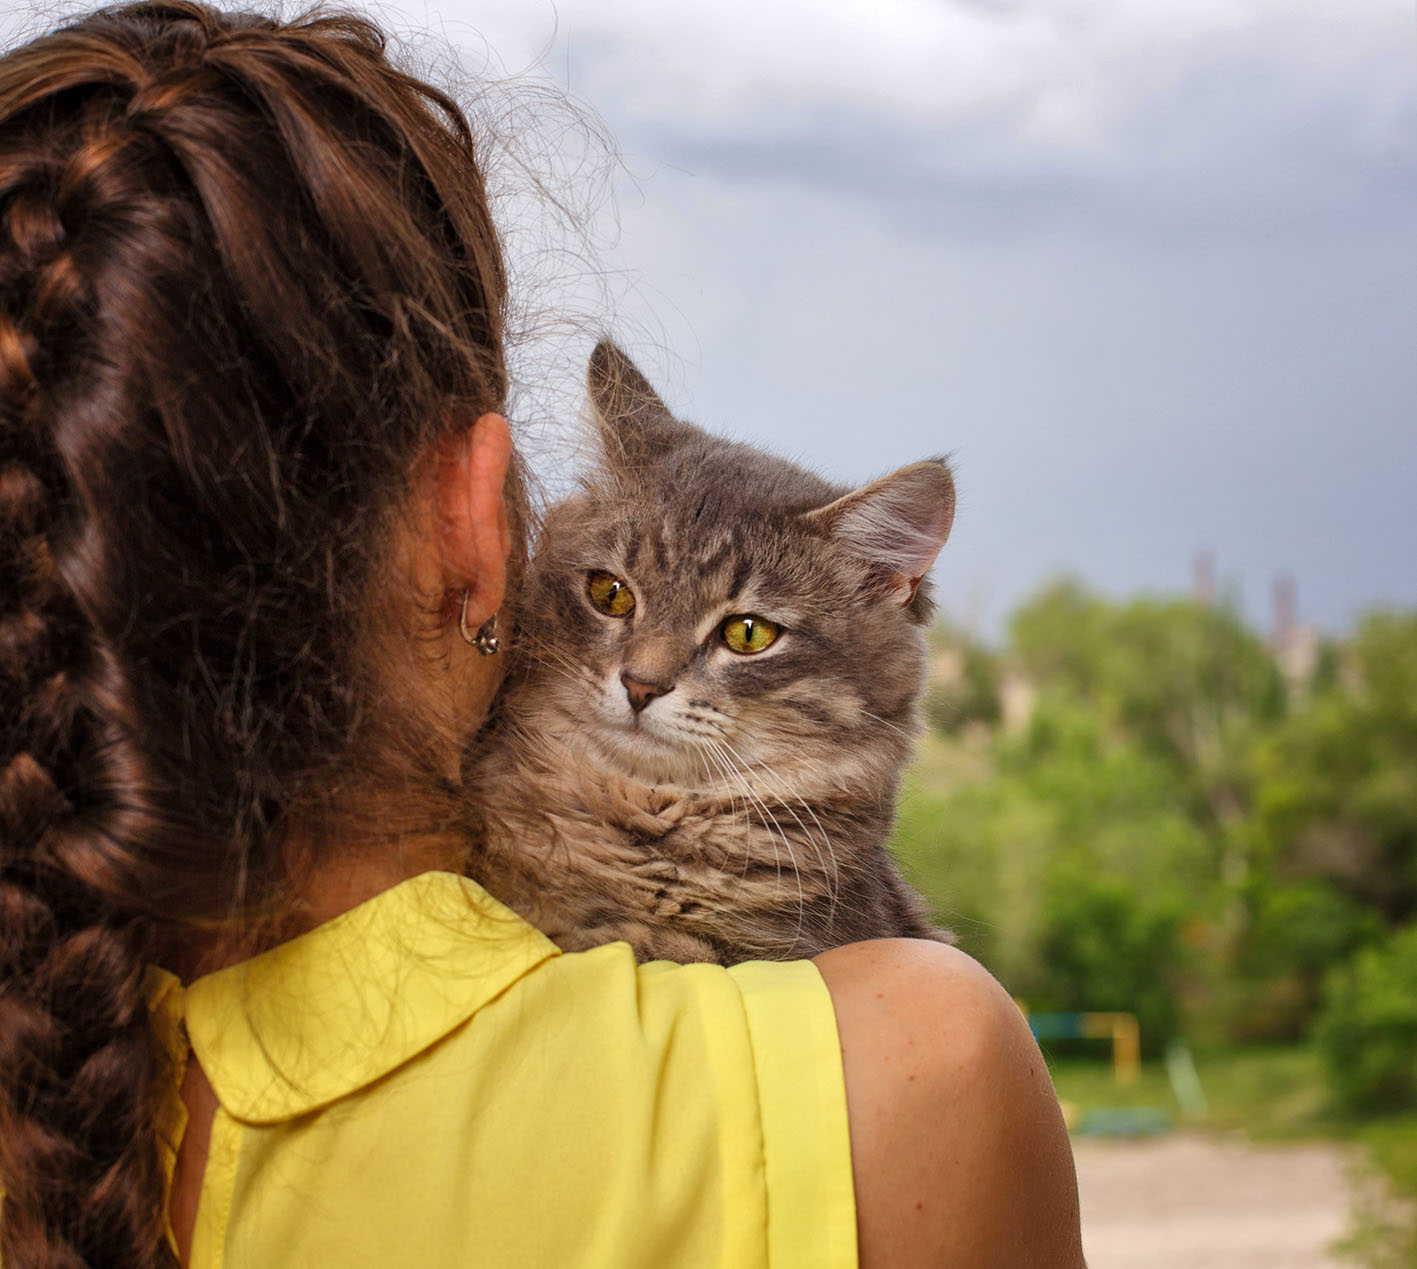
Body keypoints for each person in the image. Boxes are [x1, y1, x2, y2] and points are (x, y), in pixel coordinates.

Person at [0, 4, 1085, 1266]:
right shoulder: (913, 1066)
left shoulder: (56, 1045)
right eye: (612, 600)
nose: (640, 673)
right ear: (468, 523)